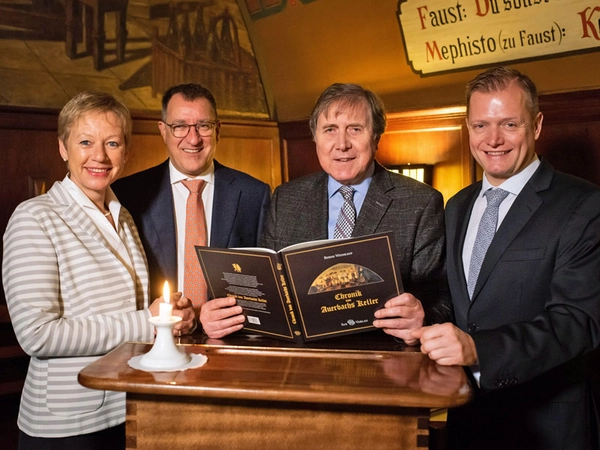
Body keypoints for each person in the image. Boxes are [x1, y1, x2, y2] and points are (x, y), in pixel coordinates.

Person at [413, 67, 600, 449]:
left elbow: (577, 322)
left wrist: (479, 350)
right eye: (480, 125)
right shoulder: (457, 205)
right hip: (468, 421)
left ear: (536, 125)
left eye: (509, 124)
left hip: (547, 426)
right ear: (468, 128)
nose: (493, 139)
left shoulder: (584, 205)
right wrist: (421, 313)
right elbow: (457, 300)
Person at [2, 91, 195, 449]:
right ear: (63, 148)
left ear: (126, 150)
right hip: (66, 423)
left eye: (112, 143)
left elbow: (124, 306)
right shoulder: (34, 218)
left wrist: (169, 314)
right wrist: (148, 321)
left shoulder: (121, 215)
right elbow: (37, 335)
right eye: (85, 142)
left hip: (126, 407)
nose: (100, 156)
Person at [201, 83, 452, 342]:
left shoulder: (419, 202)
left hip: (384, 359)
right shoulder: (286, 198)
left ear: (376, 135)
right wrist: (223, 315)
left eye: (355, 129)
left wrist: (422, 316)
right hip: (301, 361)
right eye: (330, 130)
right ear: (315, 137)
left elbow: (443, 299)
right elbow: (267, 295)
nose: (341, 144)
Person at [112, 84, 271, 317]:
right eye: (179, 126)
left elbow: (266, 284)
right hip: (154, 335)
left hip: (228, 335)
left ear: (218, 130)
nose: (193, 138)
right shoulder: (128, 194)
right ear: (163, 131)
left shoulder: (254, 195)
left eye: (203, 126)